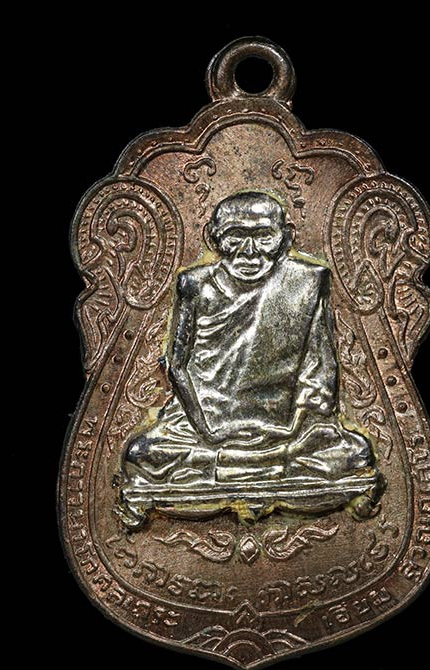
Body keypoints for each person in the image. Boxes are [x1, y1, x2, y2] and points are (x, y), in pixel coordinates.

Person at [118, 191, 381, 524]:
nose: (249, 251)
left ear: (286, 238)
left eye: (263, 237)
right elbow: (178, 367)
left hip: (288, 428)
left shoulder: (309, 281)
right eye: (236, 236)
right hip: (203, 425)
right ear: (213, 237)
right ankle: (259, 468)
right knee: (141, 454)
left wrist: (295, 424)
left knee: (355, 453)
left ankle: (234, 468)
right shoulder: (195, 284)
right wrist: (207, 429)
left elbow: (322, 369)